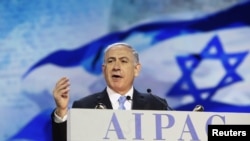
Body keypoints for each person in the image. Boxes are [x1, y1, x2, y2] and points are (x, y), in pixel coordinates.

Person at [51, 42, 171, 141]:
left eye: (123, 61)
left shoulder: (157, 105)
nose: (116, 67)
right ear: (104, 70)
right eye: (111, 61)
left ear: (136, 69)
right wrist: (61, 111)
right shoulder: (84, 106)